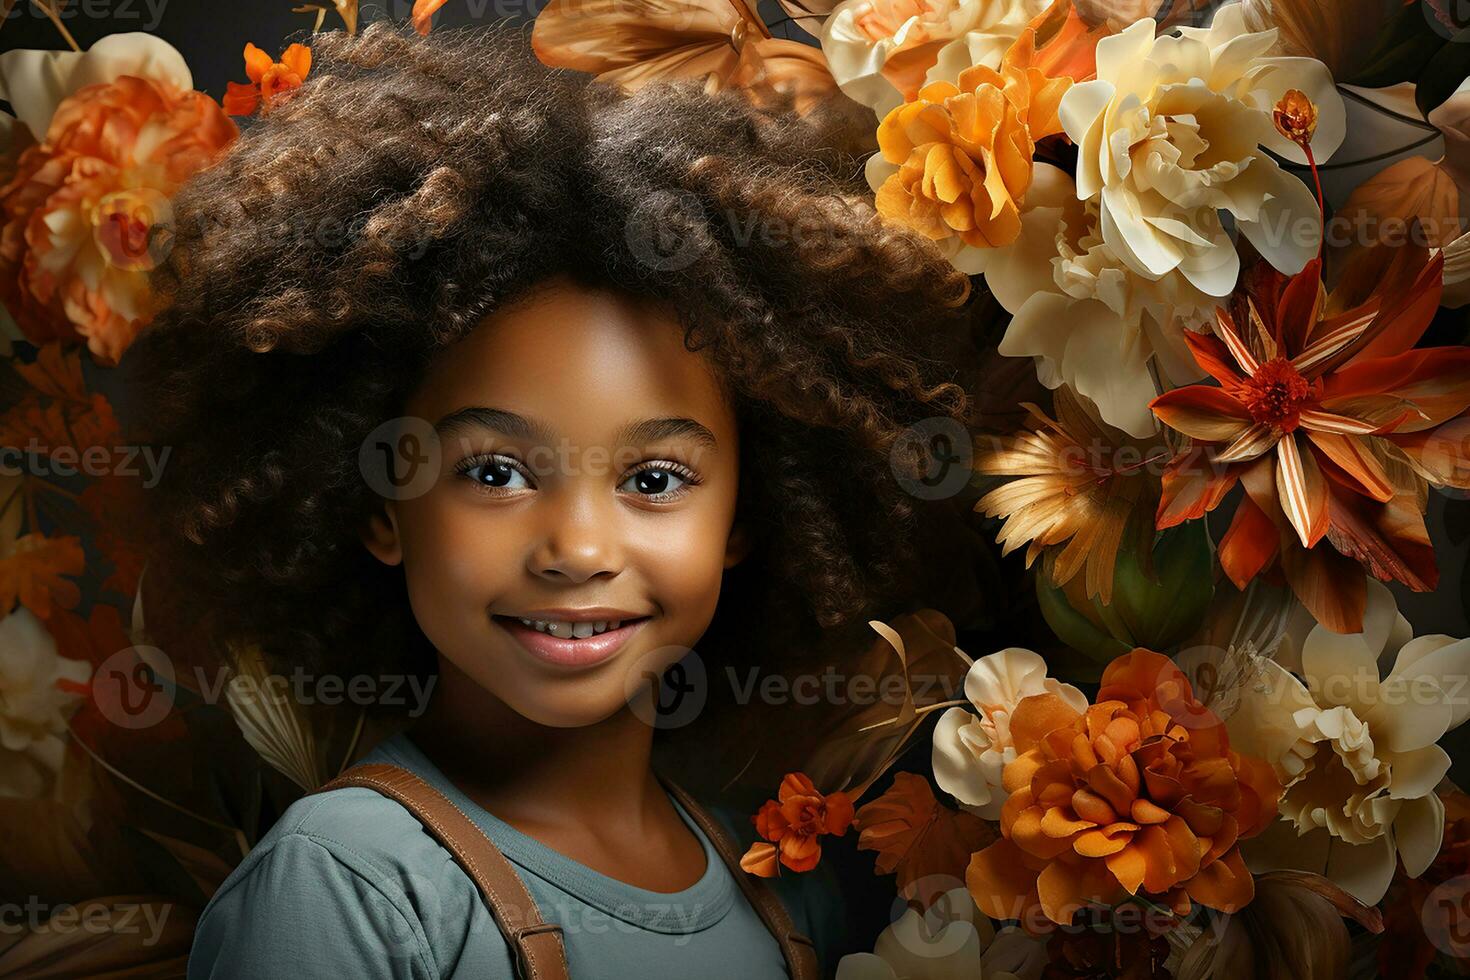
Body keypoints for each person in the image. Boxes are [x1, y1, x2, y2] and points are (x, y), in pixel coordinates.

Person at [124, 19, 976, 979]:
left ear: (744, 517)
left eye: (654, 480)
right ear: (378, 505)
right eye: (494, 473)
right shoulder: (347, 888)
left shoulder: (785, 884)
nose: (575, 549)